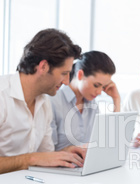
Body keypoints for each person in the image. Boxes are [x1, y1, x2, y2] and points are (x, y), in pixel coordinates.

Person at [0, 28, 85, 175]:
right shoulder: (3, 96)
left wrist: (63, 155)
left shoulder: (44, 102)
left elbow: (44, 156)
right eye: (64, 73)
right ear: (43, 66)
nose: (66, 82)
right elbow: (34, 159)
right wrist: (30, 159)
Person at [50, 51, 120, 151]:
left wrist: (116, 99)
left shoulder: (91, 104)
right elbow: (45, 152)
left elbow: (110, 142)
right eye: (96, 85)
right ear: (80, 75)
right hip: (58, 166)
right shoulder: (53, 101)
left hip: (84, 165)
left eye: (103, 87)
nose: (100, 92)